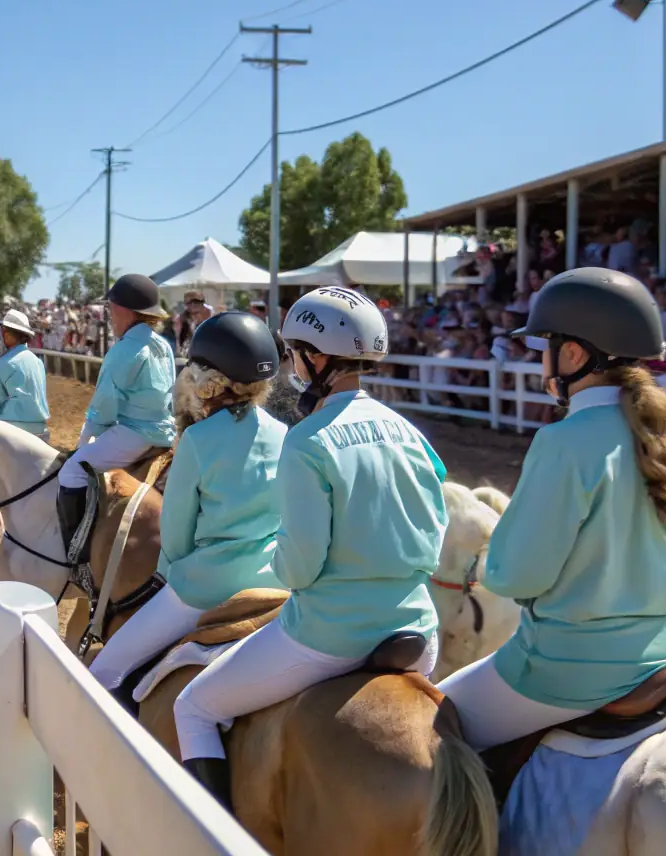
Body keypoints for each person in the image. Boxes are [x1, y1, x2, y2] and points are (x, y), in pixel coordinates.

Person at [171, 287, 448, 809]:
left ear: (317, 358)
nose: (292, 365)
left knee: (194, 707)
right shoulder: (412, 432)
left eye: (296, 352)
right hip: (419, 630)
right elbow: (437, 526)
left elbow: (299, 568)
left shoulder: (309, 439)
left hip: (331, 634)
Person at [437, 267, 666, 752]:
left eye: (544, 351)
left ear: (574, 354)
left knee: (421, 728)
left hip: (569, 668)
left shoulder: (561, 442)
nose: (541, 364)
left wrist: (492, 568)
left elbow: (517, 577)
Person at [88, 312, 287, 708]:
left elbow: (176, 539)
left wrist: (170, 574)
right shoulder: (285, 434)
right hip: (274, 584)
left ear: (210, 380)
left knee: (102, 675)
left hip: (204, 589)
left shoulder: (197, 438)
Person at [56, 274, 176, 546]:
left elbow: (104, 407)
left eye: (111, 308)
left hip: (135, 433)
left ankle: (75, 550)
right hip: (165, 432)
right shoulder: (163, 345)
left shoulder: (125, 350)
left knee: (72, 471)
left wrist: (84, 440)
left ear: (126, 311)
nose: (110, 315)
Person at [0, 309, 52, 441]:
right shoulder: (38, 362)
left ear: (8, 334)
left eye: (3, 331)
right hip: (42, 431)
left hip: (13, 433)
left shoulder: (1, 364)